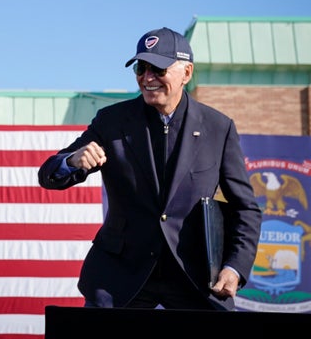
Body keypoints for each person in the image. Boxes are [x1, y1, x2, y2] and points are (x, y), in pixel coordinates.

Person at [38, 27, 262, 311]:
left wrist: (234, 267)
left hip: (192, 277)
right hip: (119, 276)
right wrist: (71, 161)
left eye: (158, 69)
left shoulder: (218, 127)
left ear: (187, 73)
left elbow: (246, 209)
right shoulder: (111, 121)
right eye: (141, 68)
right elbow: (48, 176)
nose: (147, 78)